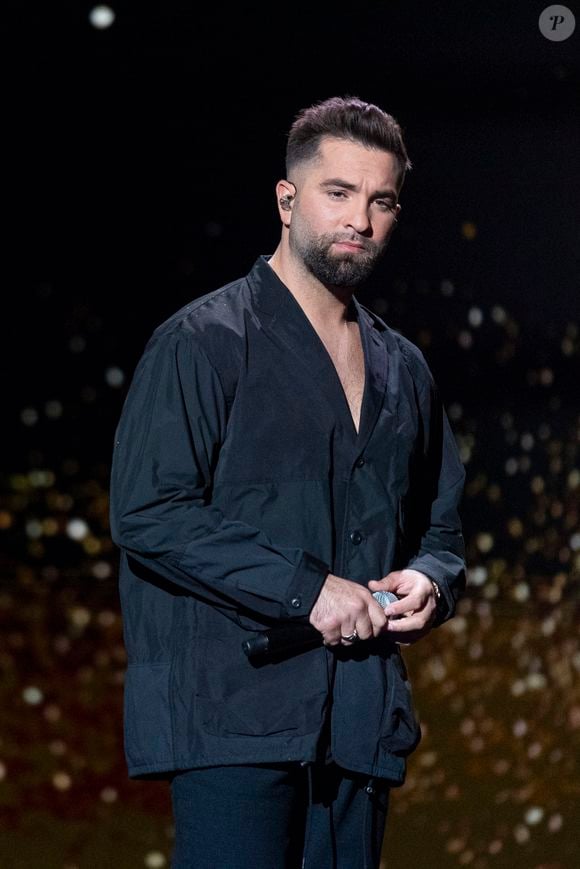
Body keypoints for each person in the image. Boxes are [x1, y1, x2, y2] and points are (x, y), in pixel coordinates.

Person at [108, 95, 466, 869]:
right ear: (287, 199)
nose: (359, 220)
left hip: (359, 727)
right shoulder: (201, 342)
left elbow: (441, 531)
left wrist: (432, 582)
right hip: (234, 720)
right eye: (338, 192)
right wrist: (310, 590)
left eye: (381, 201)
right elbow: (149, 512)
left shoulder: (405, 369)